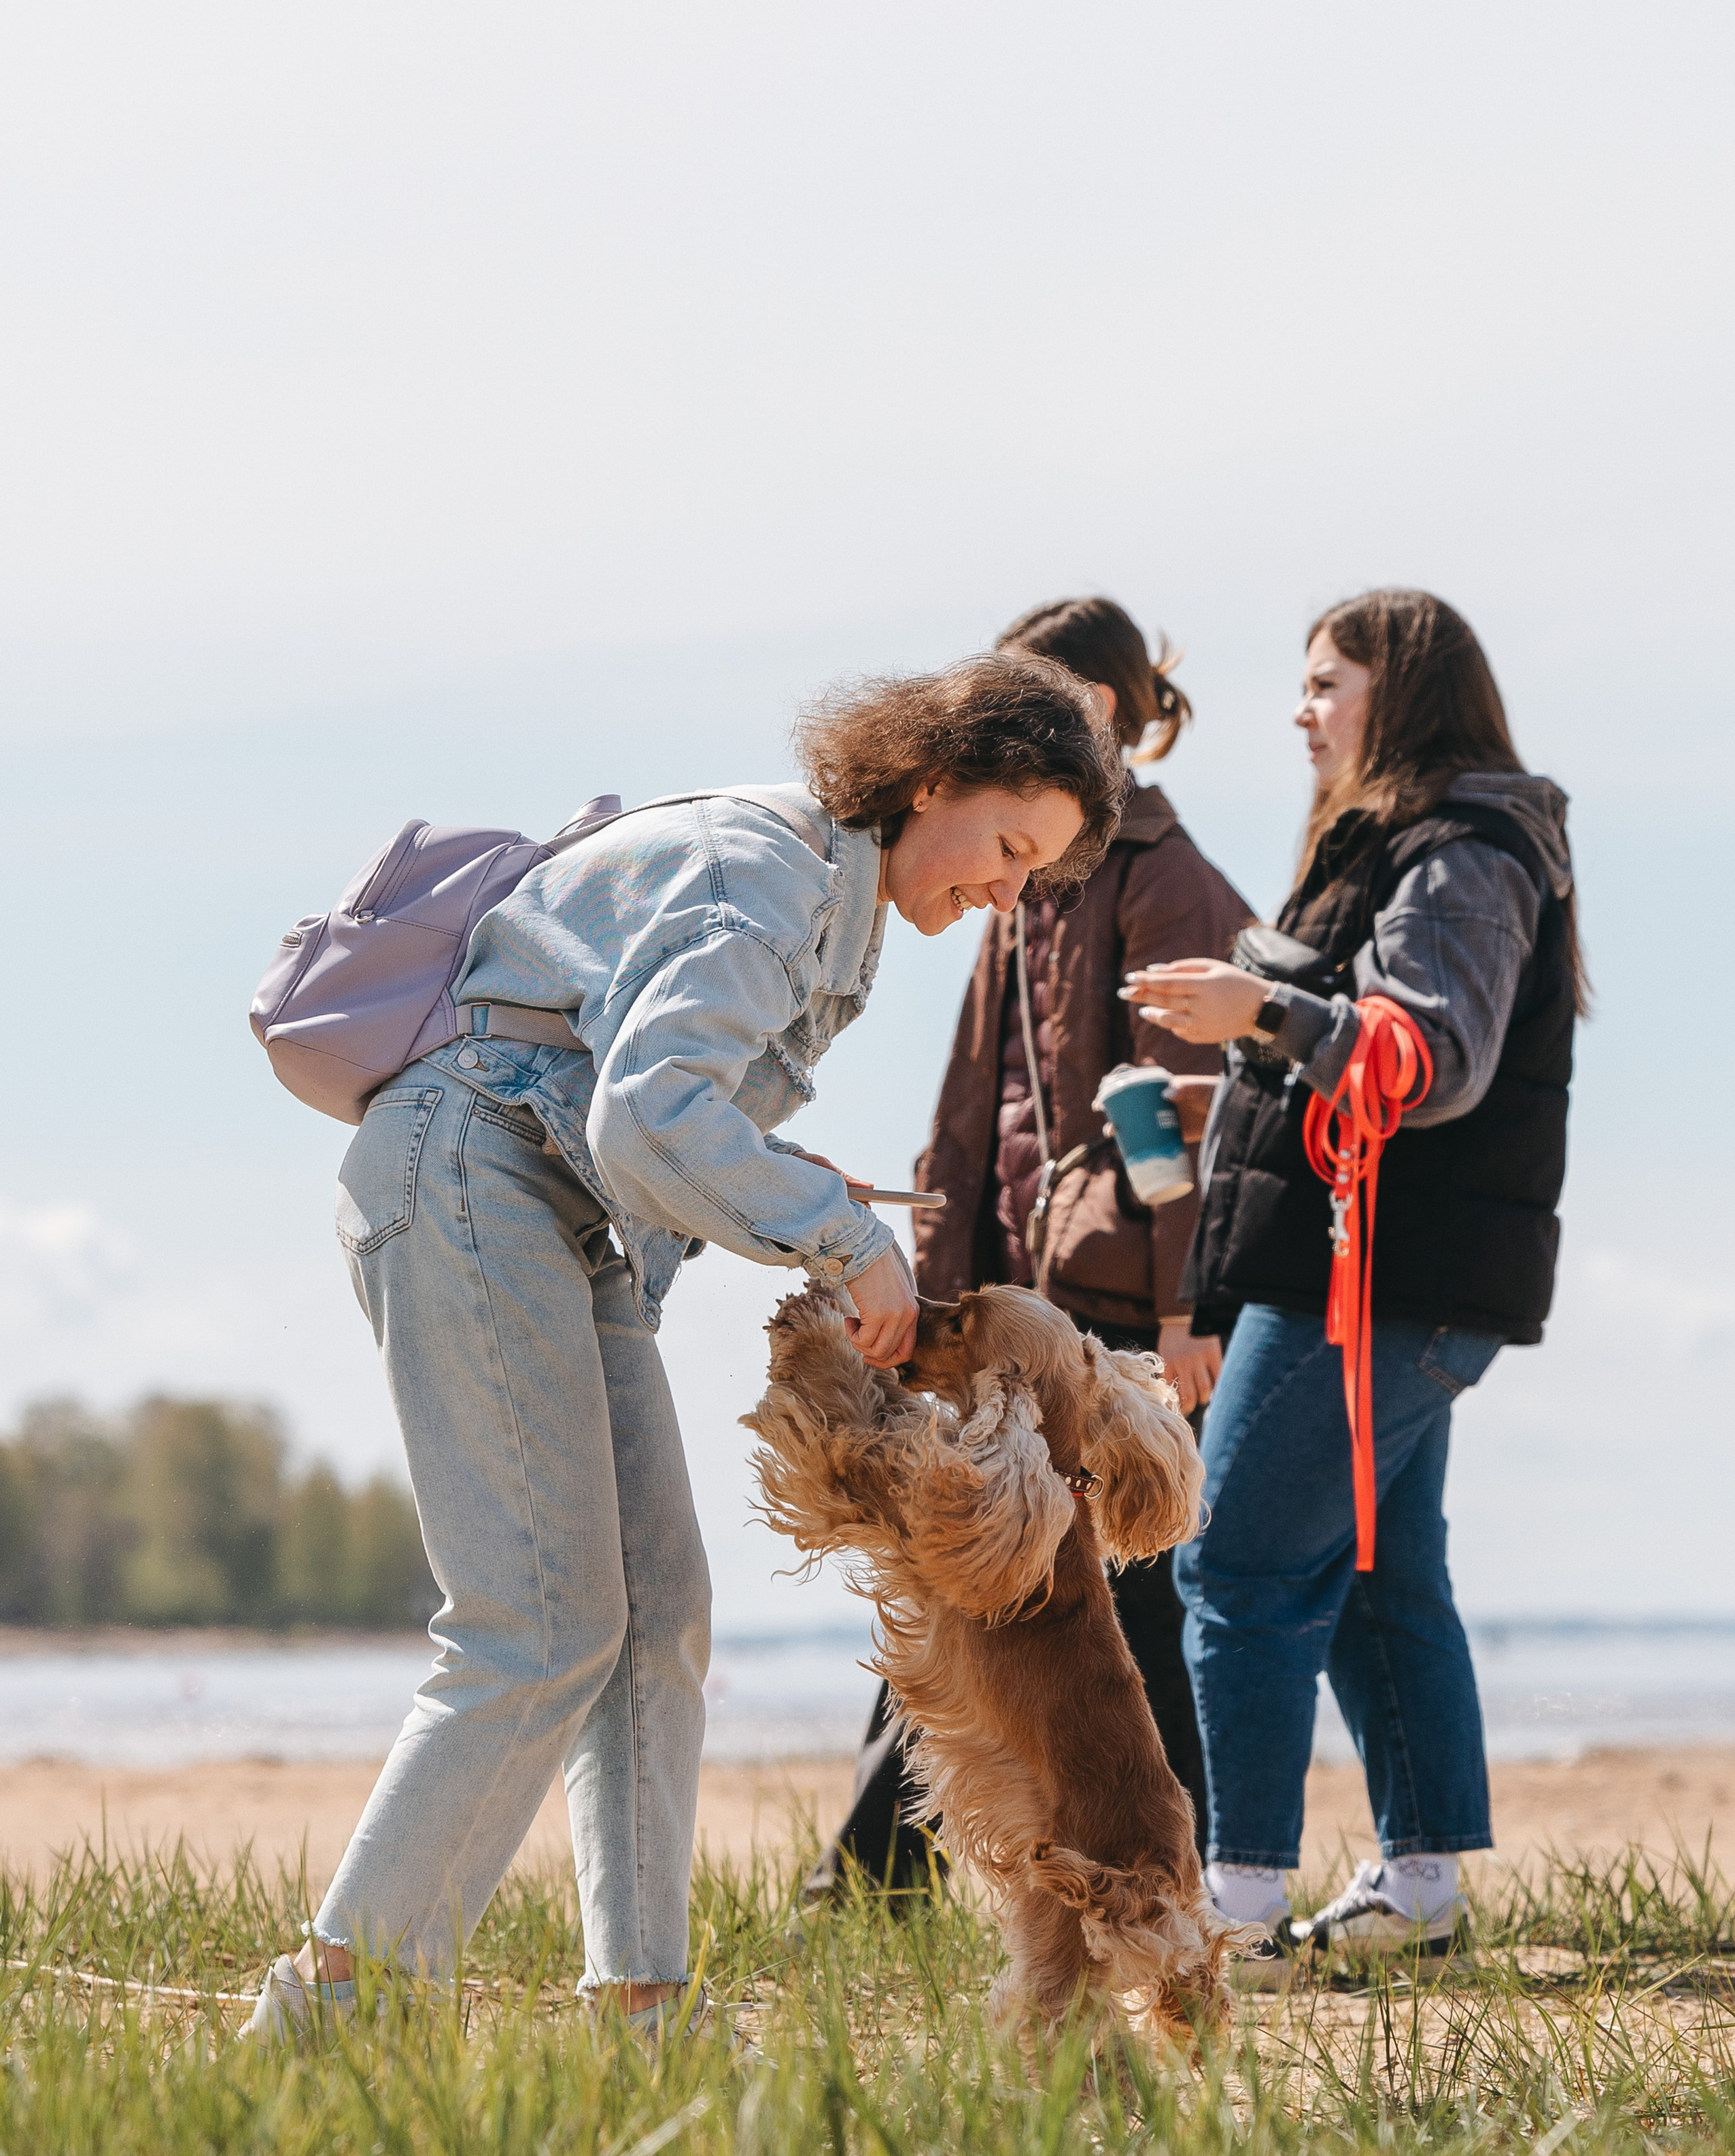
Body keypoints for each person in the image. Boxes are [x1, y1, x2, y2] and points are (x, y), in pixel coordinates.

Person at [243, 653, 1126, 2038]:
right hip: (478, 1176)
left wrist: (778, 1178)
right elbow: (648, 1119)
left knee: (658, 1618)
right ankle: (336, 2002)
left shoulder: (817, 884)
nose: (1007, 895)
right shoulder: (768, 876)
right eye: (1009, 848)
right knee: (535, 1624)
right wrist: (842, 1232)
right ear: (934, 780)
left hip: (545, 1205)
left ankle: (642, 2003)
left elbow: (646, 1111)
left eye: (1034, 876)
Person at [1124, 590, 1585, 1973]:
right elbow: (1360, 1057)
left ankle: (1240, 1902)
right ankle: (1419, 1883)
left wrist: (1255, 1007)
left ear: (1407, 692)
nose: (1299, 708)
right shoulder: (1405, 843)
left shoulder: (1457, 846)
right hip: (1389, 1271)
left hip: (1379, 1283)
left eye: (1327, 681)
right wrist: (1234, 1097)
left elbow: (1427, 1055)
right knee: (1377, 1578)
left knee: (1235, 1560)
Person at [806, 598, 1252, 1902]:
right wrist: (933, 1285)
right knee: (974, 1567)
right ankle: (885, 1868)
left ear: (1104, 709)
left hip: (1123, 1303)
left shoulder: (1166, 876)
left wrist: (1187, 1305)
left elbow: (1184, 1115)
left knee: (1136, 1609)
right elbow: (972, 1096)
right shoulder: (1025, 883)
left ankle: (1180, 1876)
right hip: (1026, 1301)